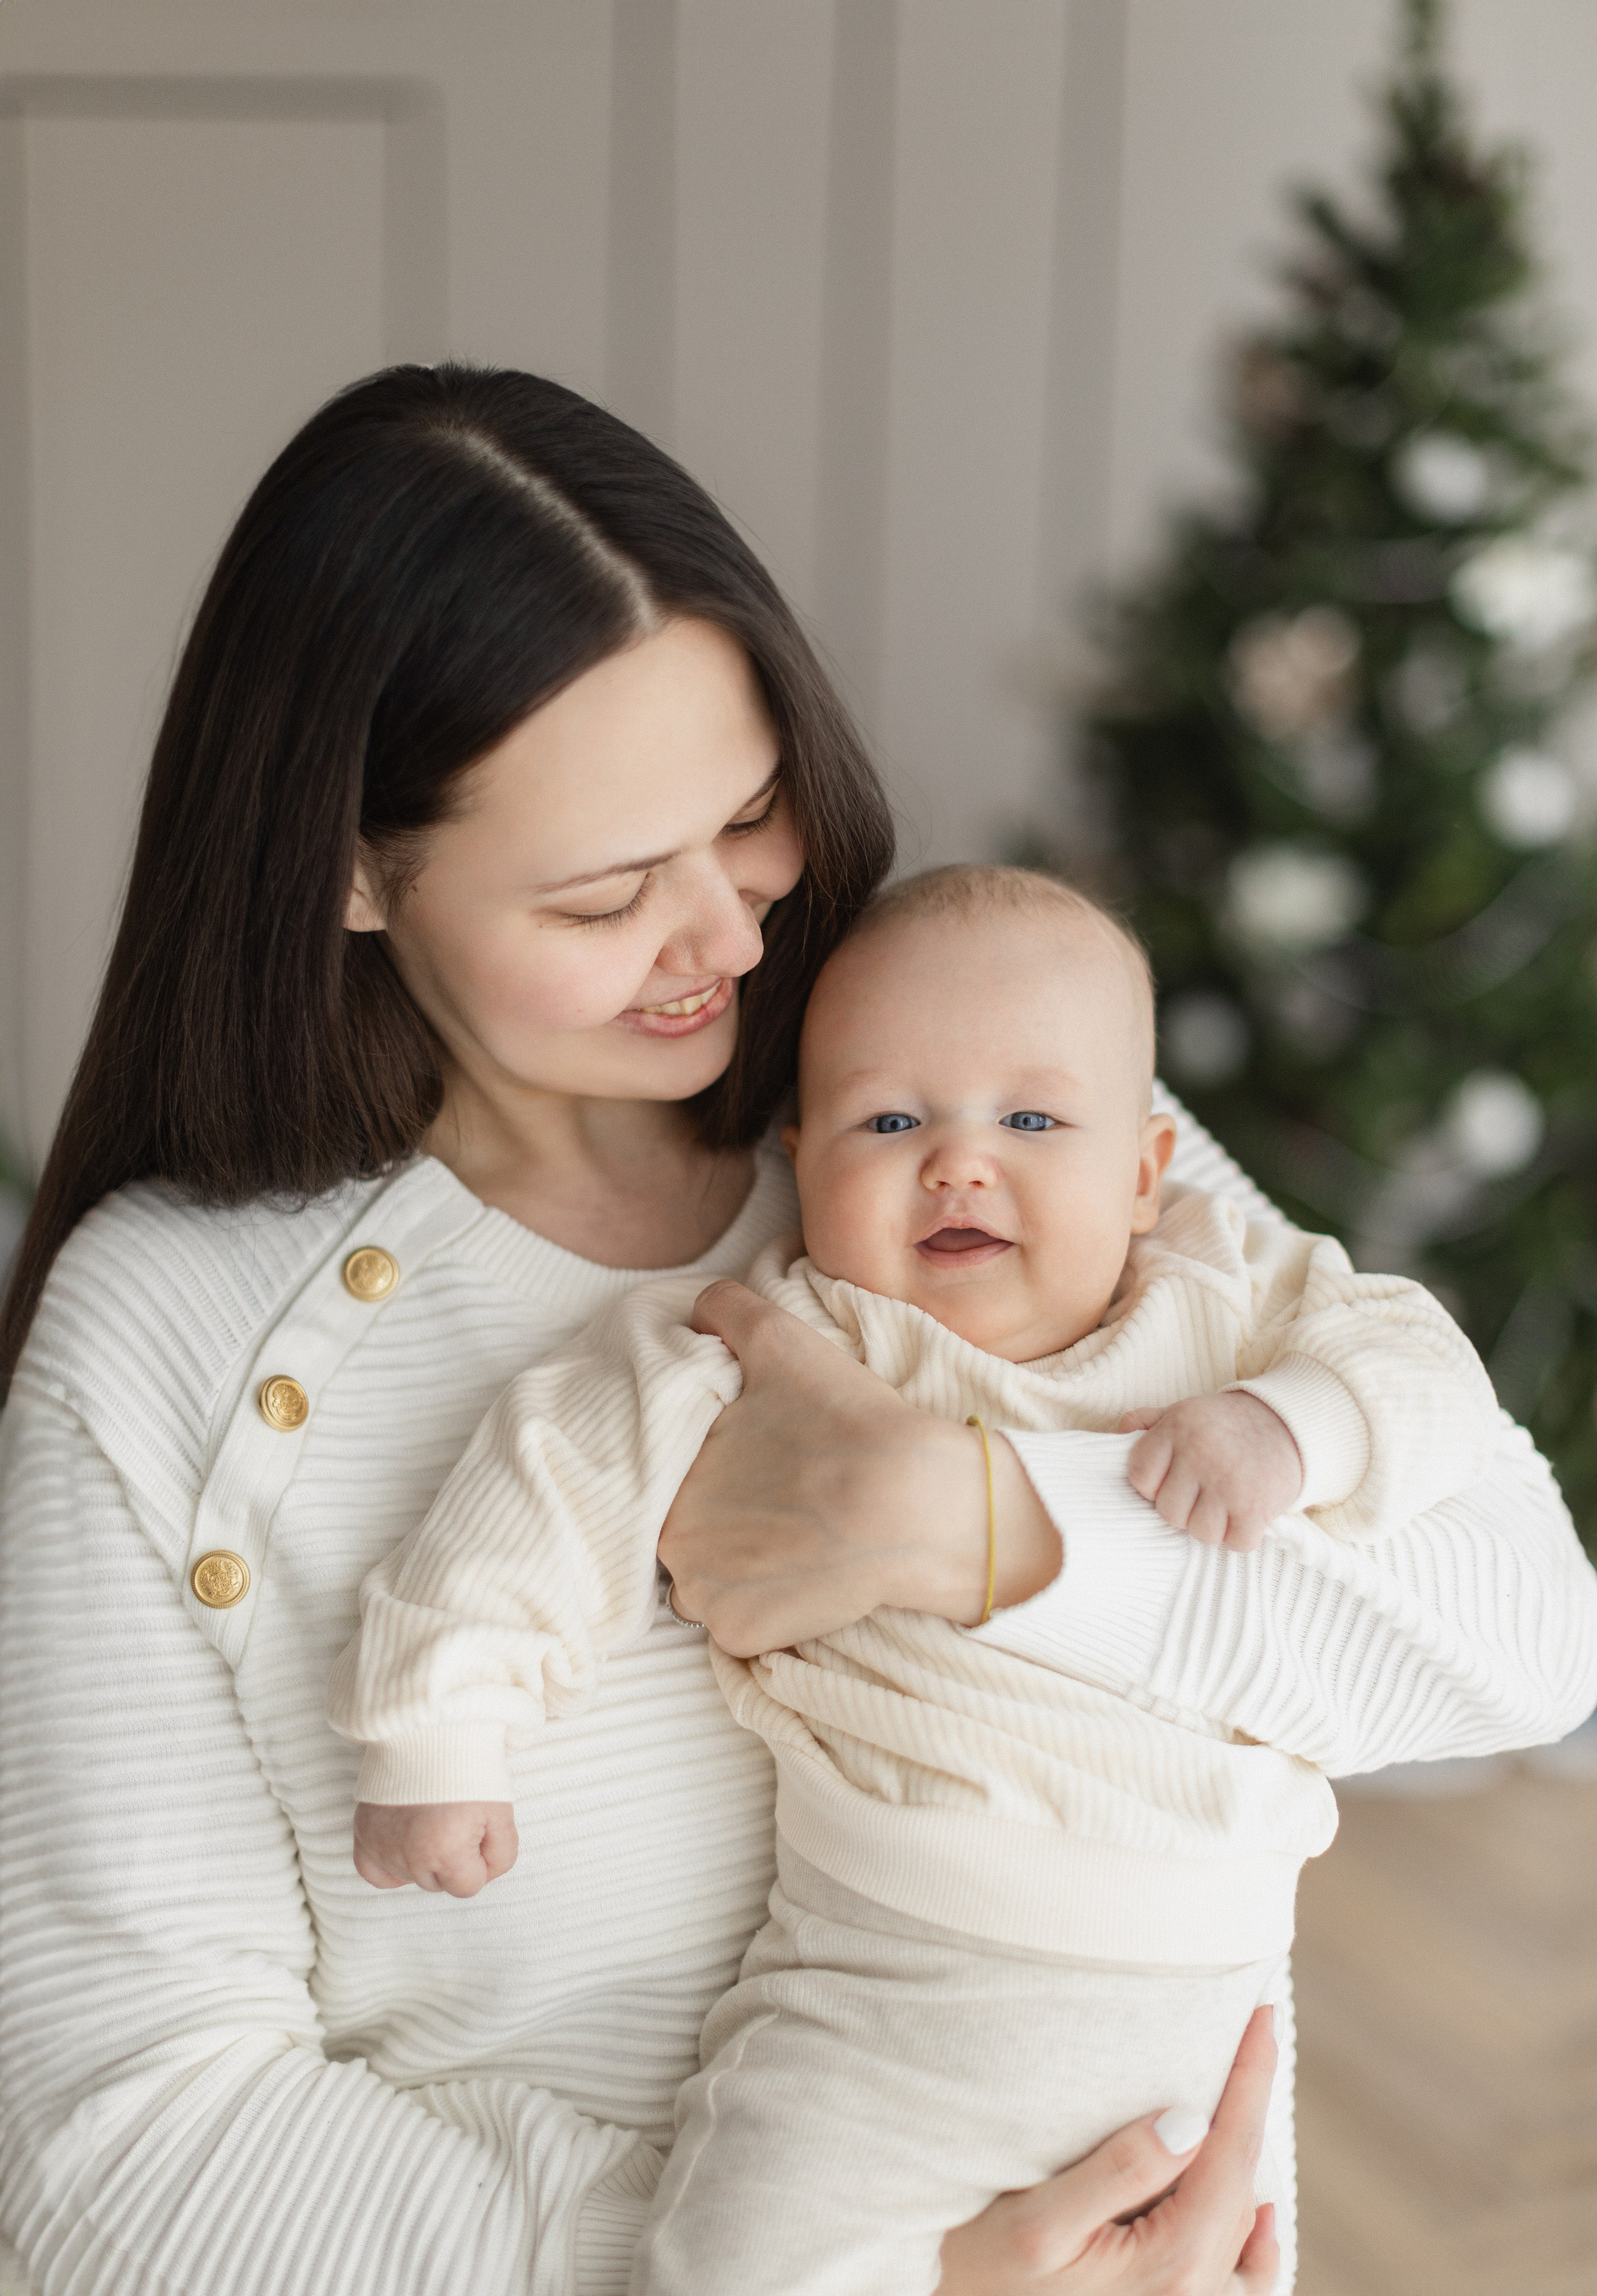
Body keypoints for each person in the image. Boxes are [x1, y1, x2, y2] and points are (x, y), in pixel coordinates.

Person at [0, 366, 1593, 2296]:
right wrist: (870, 2267)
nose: (736, 944)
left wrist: (988, 1530)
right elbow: (110, 2148)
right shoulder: (169, 1343)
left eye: (749, 818)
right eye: (603, 893)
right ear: (346, 865)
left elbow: (1526, 1645)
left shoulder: (972, 1100)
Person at [331, 863, 1500, 2295]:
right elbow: (552, 1472)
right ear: (798, 1151)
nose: (957, 1161)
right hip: (889, 1992)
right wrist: (439, 1729)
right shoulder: (777, 1334)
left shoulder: (1227, 1288)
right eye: (888, 1120)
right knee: (735, 2266)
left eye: (1030, 1119)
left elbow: (1423, 1361)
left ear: (1144, 1169)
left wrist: (1296, 1424)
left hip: (1202, 2000)